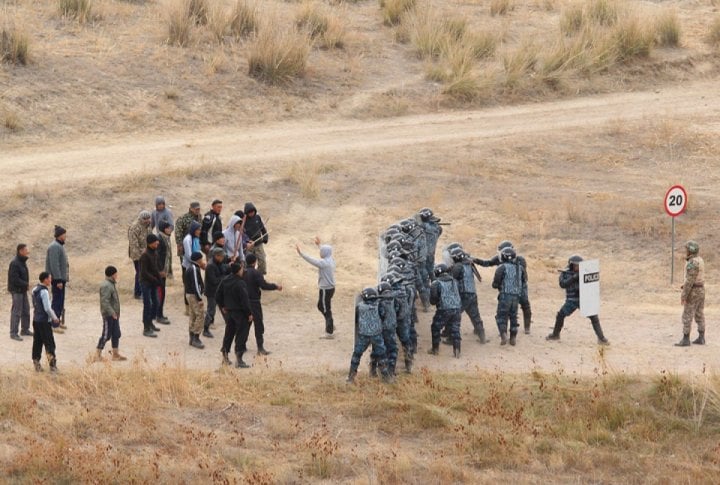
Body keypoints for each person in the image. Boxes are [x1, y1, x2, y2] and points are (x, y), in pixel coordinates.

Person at [546, 255, 609, 345]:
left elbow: (592, 283)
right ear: (571, 265)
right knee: (560, 315)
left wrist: (582, 277)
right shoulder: (565, 273)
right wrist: (574, 278)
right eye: (576, 266)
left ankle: (601, 338)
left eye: (579, 266)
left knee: (594, 317)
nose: (578, 267)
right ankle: (555, 334)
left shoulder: (586, 272)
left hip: (584, 299)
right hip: (571, 300)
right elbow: (562, 284)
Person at [475, 240, 533, 334]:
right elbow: (488, 263)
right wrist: (475, 260)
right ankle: (506, 330)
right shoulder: (500, 258)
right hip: (509, 288)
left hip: (520, 286)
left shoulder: (520, 260)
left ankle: (527, 327)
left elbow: (523, 276)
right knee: (509, 309)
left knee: (525, 304)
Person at [347, 287, 392, 383]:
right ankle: (386, 378)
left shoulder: (359, 306)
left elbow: (356, 319)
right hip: (376, 335)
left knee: (356, 355)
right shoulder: (379, 305)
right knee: (382, 356)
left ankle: (351, 377)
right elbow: (383, 315)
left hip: (363, 335)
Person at [296, 237, 336, 339]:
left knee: (325, 309)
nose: (320, 253)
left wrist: (301, 254)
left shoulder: (323, 263)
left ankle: (329, 331)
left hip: (325, 289)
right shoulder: (330, 259)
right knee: (322, 306)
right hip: (330, 288)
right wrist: (319, 245)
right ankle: (330, 322)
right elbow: (326, 250)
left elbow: (311, 260)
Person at [243, 253, 282, 355]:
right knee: (258, 324)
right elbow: (264, 286)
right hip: (254, 302)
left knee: (245, 324)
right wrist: (275, 286)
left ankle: (242, 346)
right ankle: (260, 348)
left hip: (244, 302)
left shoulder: (242, 272)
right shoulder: (256, 273)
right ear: (255, 262)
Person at [216, 262, 253, 368]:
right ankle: (239, 360)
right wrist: (249, 313)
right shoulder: (240, 283)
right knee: (241, 335)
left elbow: (218, 295)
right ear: (238, 270)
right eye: (242, 269)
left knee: (228, 334)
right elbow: (244, 301)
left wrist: (223, 306)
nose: (243, 271)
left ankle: (225, 356)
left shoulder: (225, 280)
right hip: (240, 313)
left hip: (229, 312)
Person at [450, 246, 487, 344]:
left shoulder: (458, 266)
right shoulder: (469, 264)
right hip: (472, 294)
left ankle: (451, 338)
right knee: (475, 316)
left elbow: (452, 279)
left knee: (454, 316)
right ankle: (482, 337)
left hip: (463, 295)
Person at [491, 247, 526, 346]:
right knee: (513, 316)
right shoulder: (520, 268)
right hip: (516, 296)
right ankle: (513, 336)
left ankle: (503, 334)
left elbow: (495, 284)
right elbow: (524, 281)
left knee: (501, 316)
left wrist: (499, 286)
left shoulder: (502, 267)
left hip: (505, 295)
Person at [428, 263, 462, 358]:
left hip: (444, 309)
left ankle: (435, 349)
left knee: (435, 327)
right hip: (457, 308)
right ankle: (457, 350)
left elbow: (433, 301)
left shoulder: (436, 283)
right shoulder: (454, 281)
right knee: (455, 329)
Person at [675, 240, 706, 346]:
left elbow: (689, 281)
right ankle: (701, 337)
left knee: (687, 314)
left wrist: (683, 295)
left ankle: (686, 339)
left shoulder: (692, 262)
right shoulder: (699, 260)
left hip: (693, 291)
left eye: (687, 249)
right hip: (701, 290)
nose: (686, 251)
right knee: (699, 314)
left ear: (691, 250)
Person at [95, 266, 127, 362]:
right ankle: (97, 355)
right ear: (112, 274)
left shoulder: (111, 284)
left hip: (114, 314)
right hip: (109, 315)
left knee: (116, 333)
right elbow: (105, 302)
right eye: (116, 273)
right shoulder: (106, 286)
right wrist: (112, 313)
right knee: (106, 335)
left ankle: (115, 354)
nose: (117, 275)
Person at [31, 272, 60, 372]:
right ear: (45, 279)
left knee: (37, 342)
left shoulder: (34, 289)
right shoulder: (44, 292)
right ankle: (52, 366)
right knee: (49, 343)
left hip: (36, 320)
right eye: (50, 278)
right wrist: (55, 317)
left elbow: (34, 304)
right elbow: (47, 308)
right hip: (44, 321)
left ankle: (36, 363)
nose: (51, 280)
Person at [45, 225, 69, 332]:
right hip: (57, 279)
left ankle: (57, 321)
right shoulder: (55, 246)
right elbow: (54, 265)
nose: (65, 236)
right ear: (60, 235)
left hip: (60, 278)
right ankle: (54, 325)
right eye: (64, 234)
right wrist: (58, 280)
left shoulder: (59, 246)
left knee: (60, 301)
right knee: (57, 302)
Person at [139, 234, 162, 338]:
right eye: (155, 242)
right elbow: (144, 272)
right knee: (147, 304)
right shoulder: (145, 255)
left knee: (156, 302)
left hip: (153, 282)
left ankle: (150, 322)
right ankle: (146, 327)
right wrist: (155, 279)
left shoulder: (155, 253)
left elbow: (155, 268)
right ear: (149, 243)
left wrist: (159, 279)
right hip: (145, 283)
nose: (157, 243)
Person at [8, 243, 32, 341]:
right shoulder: (14, 263)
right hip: (16, 290)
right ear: (21, 251)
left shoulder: (22, 261)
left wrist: (25, 285)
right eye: (26, 250)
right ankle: (13, 333)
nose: (28, 251)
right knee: (16, 312)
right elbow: (14, 279)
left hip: (22, 290)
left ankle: (25, 329)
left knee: (26, 310)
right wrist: (26, 284)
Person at [204, 248, 229, 338]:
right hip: (212, 292)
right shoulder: (210, 266)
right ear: (216, 256)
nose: (223, 258)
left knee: (224, 307)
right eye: (221, 256)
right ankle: (205, 328)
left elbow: (224, 268)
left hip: (219, 291)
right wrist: (225, 277)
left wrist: (230, 266)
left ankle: (229, 324)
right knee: (211, 310)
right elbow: (214, 280)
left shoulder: (219, 263)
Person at [128, 210, 153, 300]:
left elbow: (150, 238)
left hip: (147, 253)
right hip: (137, 255)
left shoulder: (148, 225)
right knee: (140, 273)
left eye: (148, 218)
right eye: (145, 219)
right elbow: (133, 244)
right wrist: (140, 254)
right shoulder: (135, 227)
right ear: (141, 219)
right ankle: (138, 293)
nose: (147, 220)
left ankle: (145, 291)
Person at [184, 252, 206, 349]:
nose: (203, 261)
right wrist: (199, 298)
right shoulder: (193, 269)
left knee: (193, 315)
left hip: (190, 294)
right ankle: (196, 337)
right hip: (193, 295)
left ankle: (191, 337)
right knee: (200, 315)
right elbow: (195, 284)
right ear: (198, 260)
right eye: (201, 259)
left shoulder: (191, 267)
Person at [152, 196, 175, 278]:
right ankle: (161, 271)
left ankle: (169, 273)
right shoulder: (154, 212)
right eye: (159, 204)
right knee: (159, 254)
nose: (161, 206)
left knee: (168, 255)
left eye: (162, 204)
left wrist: (168, 232)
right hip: (158, 236)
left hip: (166, 236)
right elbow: (152, 224)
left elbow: (171, 225)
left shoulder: (167, 212)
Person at [243, 202, 269, 274]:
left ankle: (259, 276)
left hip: (258, 244)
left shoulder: (257, 217)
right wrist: (247, 242)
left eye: (253, 211)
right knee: (248, 264)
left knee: (262, 261)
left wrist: (265, 237)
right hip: (249, 246)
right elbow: (241, 234)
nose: (251, 213)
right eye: (250, 212)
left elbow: (263, 229)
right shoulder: (243, 220)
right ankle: (249, 278)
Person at [418, 208, 443, 281]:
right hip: (431, 254)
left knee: (423, 273)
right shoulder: (437, 228)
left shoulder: (424, 228)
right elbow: (439, 229)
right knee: (431, 271)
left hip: (422, 255)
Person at [156, 221, 173, 325]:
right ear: (163, 229)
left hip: (164, 270)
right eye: (168, 228)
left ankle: (159, 313)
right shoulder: (160, 239)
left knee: (161, 293)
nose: (170, 229)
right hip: (160, 272)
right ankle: (159, 315)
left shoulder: (166, 238)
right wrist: (160, 270)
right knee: (160, 294)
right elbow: (157, 257)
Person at [175, 202, 201, 267]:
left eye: (198, 209)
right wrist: (179, 244)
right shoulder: (183, 218)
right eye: (196, 209)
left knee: (196, 265)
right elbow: (178, 232)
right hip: (185, 245)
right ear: (191, 209)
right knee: (185, 267)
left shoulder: (199, 217)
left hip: (195, 245)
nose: (198, 211)